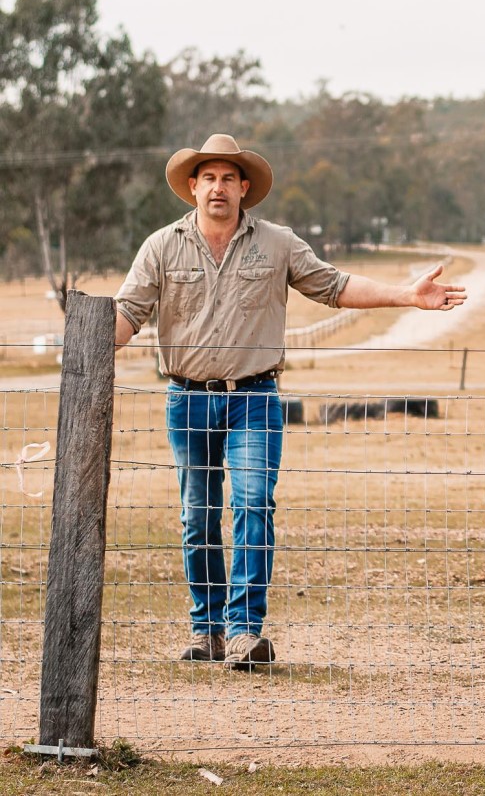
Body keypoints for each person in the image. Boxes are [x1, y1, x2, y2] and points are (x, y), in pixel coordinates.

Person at [113, 133, 466, 670]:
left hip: (254, 398)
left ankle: (242, 632)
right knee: (197, 515)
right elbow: (127, 315)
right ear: (192, 187)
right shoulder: (161, 246)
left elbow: (334, 284)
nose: (218, 187)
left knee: (253, 504)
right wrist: (88, 334)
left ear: (245, 188)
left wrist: (406, 295)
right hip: (187, 399)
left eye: (229, 177)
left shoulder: (276, 243)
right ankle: (206, 628)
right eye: (208, 177)